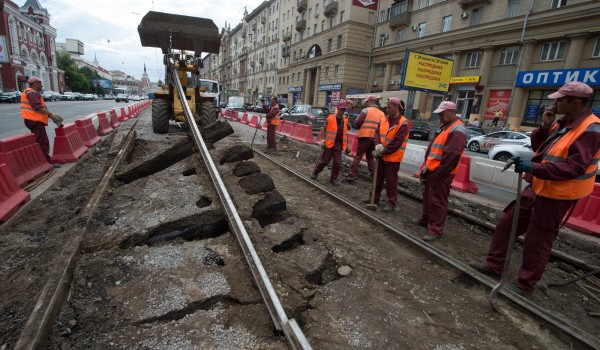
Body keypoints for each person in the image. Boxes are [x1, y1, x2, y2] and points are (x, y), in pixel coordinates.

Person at [471, 82, 600, 295]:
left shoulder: (590, 129)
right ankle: (495, 266)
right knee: (507, 224)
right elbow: (540, 148)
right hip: (538, 186)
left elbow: (575, 167)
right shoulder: (563, 123)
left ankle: (525, 284)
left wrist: (534, 167)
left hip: (557, 194)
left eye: (560, 99)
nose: (555, 103)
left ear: (576, 102)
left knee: (537, 241)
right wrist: (544, 126)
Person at [417, 101, 467, 241]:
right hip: (434, 170)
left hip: (442, 172)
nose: (440, 116)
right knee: (428, 198)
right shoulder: (447, 127)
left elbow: (453, 154)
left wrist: (441, 170)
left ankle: (435, 230)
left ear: (451, 111)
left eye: (442, 114)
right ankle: (426, 221)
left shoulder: (457, 129)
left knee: (437, 201)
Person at [370, 97, 411, 212]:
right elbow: (377, 134)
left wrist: (383, 150)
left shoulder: (403, 123)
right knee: (377, 178)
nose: (387, 110)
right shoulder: (384, 119)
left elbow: (397, 142)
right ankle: (374, 198)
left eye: (389, 107)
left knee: (391, 181)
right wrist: (377, 145)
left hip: (392, 158)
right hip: (381, 155)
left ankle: (391, 202)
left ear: (397, 107)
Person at [21, 76, 63, 167]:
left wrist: (52, 118)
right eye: (40, 83)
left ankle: (45, 162)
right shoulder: (32, 93)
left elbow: (42, 108)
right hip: (34, 121)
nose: (41, 85)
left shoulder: (33, 93)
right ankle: (47, 163)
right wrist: (52, 115)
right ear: (35, 84)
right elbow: (38, 108)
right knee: (42, 143)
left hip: (34, 121)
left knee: (41, 141)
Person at [347, 95, 386, 182]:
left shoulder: (365, 110)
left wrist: (356, 122)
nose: (366, 103)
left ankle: (352, 174)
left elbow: (358, 123)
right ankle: (374, 174)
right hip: (375, 138)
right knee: (370, 156)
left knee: (358, 156)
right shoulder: (382, 114)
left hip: (365, 136)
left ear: (371, 101)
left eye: (367, 101)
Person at [311, 101, 350, 185]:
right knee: (324, 161)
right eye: (341, 109)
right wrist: (323, 139)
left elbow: (345, 133)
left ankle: (333, 179)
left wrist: (348, 145)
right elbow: (323, 129)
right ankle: (316, 172)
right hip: (329, 144)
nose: (342, 111)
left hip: (338, 144)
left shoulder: (345, 121)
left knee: (337, 162)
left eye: (343, 110)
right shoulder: (330, 118)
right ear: (337, 109)